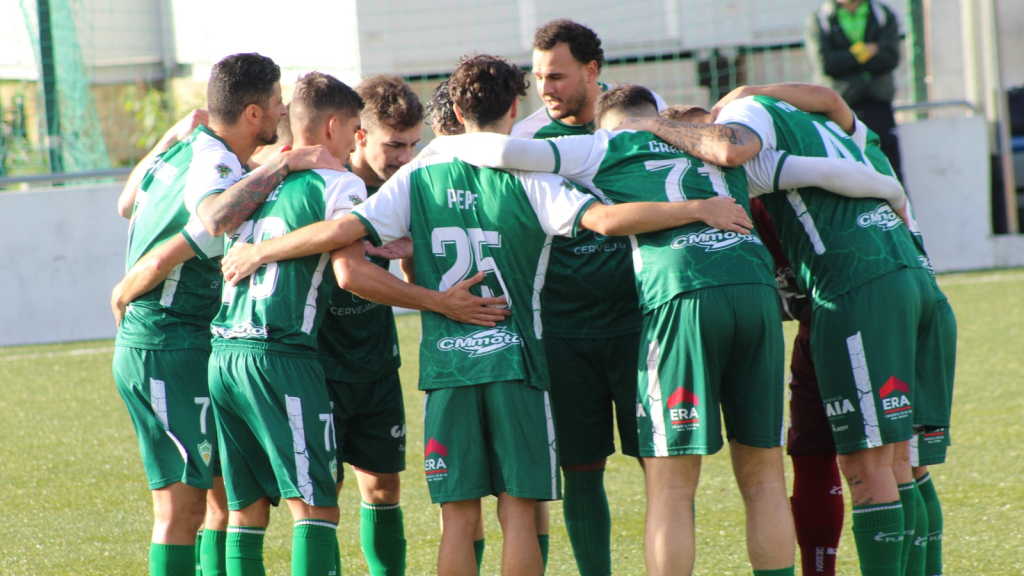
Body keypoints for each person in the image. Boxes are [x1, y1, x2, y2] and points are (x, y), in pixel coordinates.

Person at [219, 56, 755, 576]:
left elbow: (342, 238)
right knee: (519, 514)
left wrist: (261, 251)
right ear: (515, 105)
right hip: (518, 365)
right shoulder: (529, 174)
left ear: (453, 106)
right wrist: (695, 208)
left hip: (447, 371)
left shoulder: (418, 175)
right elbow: (608, 221)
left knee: (458, 520)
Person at [424, 83, 801, 576]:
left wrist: (434, 145)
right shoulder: (711, 139)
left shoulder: (603, 144)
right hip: (755, 291)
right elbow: (814, 168)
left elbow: (498, 148)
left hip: (681, 292)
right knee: (766, 477)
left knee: (671, 487)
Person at [621, 83, 936, 576]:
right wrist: (894, 192)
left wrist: (891, 190)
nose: (723, 135)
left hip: (849, 298)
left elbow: (811, 151)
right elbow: (831, 110)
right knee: (848, 456)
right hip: (853, 300)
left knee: (873, 463)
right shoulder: (766, 153)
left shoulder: (753, 157)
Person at [110, 52, 324, 576]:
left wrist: (169, 137)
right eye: (276, 103)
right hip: (166, 344)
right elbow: (195, 232)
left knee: (215, 502)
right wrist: (281, 164)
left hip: (180, 345)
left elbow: (125, 204)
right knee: (180, 510)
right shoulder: (220, 166)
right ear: (252, 112)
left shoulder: (187, 148)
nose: (282, 113)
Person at [514, 19, 667, 575]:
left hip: (644, 322)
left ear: (592, 71)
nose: (545, 88)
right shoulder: (529, 140)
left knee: (663, 464)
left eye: (556, 76)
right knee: (580, 468)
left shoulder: (646, 117)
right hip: (563, 329)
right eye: (537, 78)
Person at [318, 74, 424, 576]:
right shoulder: (328, 183)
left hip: (377, 361)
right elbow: (347, 273)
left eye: (413, 145)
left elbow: (413, 271)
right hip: (320, 364)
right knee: (324, 495)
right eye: (394, 145)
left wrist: (416, 247)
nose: (405, 157)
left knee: (383, 487)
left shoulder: (406, 188)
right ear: (359, 135)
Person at [805, 0, 904, 182]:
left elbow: (889, 58)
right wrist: (865, 51)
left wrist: (846, 58)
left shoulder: (883, 14)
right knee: (845, 173)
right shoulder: (820, 18)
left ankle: (897, 211)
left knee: (890, 172)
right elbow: (826, 64)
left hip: (878, 105)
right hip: (837, 109)